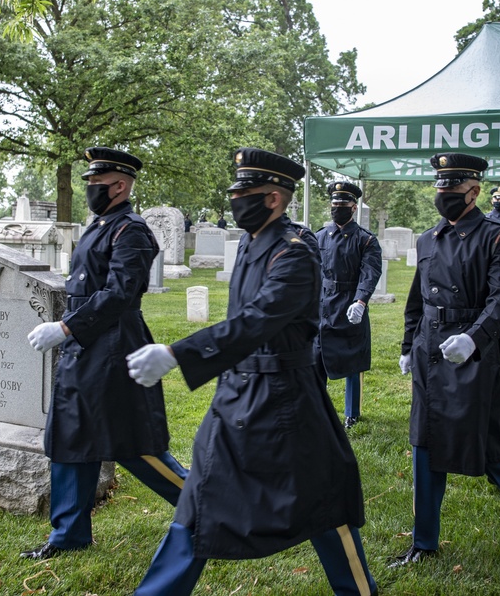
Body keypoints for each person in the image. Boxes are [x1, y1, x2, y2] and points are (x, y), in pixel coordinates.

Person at [125, 148, 376, 596]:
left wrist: (180, 353)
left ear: (274, 199)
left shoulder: (295, 254)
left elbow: (257, 320)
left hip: (286, 401)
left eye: (246, 193)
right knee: (197, 501)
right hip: (236, 395)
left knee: (324, 505)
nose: (237, 201)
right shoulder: (252, 243)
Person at [22, 147, 188, 560]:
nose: (90, 191)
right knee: (71, 436)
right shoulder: (101, 225)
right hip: (86, 342)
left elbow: (120, 292)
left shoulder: (130, 229)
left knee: (132, 442)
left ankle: (207, 504)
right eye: (90, 185)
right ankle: (68, 535)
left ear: (120, 185)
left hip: (115, 343)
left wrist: (64, 327)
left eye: (97, 185)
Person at [392, 152, 500, 568]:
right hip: (430, 347)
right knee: (425, 441)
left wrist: (474, 337)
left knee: (483, 438)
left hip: (474, 351)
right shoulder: (428, 239)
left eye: (452, 187)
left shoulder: (499, 237)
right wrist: (406, 345)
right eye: (440, 186)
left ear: (474, 191)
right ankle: (424, 542)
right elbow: (418, 298)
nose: (443, 194)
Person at [315, 181, 382, 429]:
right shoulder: (320, 235)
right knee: (317, 358)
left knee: (352, 360)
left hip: (349, 303)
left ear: (353, 207)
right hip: (323, 304)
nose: (337, 208)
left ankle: (351, 413)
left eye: (342, 204)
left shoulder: (365, 240)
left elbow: (370, 272)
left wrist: (361, 300)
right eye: (334, 204)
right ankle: (317, 408)